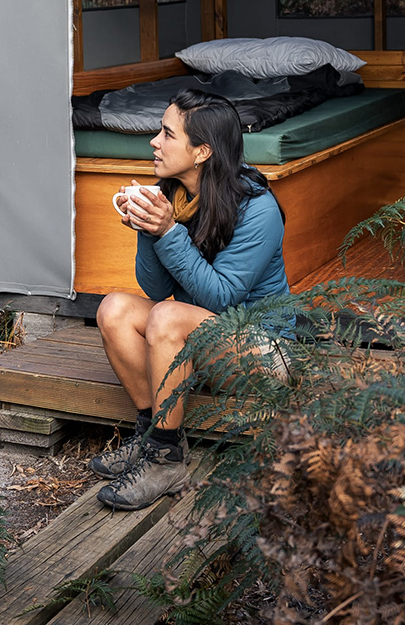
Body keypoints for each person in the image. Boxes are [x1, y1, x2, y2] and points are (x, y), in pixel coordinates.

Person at [92, 88, 289, 511]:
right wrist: (148, 227)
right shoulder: (176, 194)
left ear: (201, 152)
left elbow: (222, 299)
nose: (154, 142)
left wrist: (167, 233)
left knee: (166, 318)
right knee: (114, 309)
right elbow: (156, 289)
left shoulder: (259, 208)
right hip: (196, 337)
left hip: (261, 352)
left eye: (166, 134)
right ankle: (153, 438)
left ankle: (167, 459)